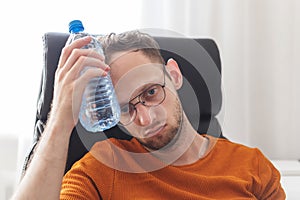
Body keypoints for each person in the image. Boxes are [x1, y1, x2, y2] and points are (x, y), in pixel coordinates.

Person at [12, 30, 285, 200]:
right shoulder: (102, 168)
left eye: (151, 92)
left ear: (174, 75)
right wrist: (61, 116)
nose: (145, 119)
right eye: (124, 108)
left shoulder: (253, 167)